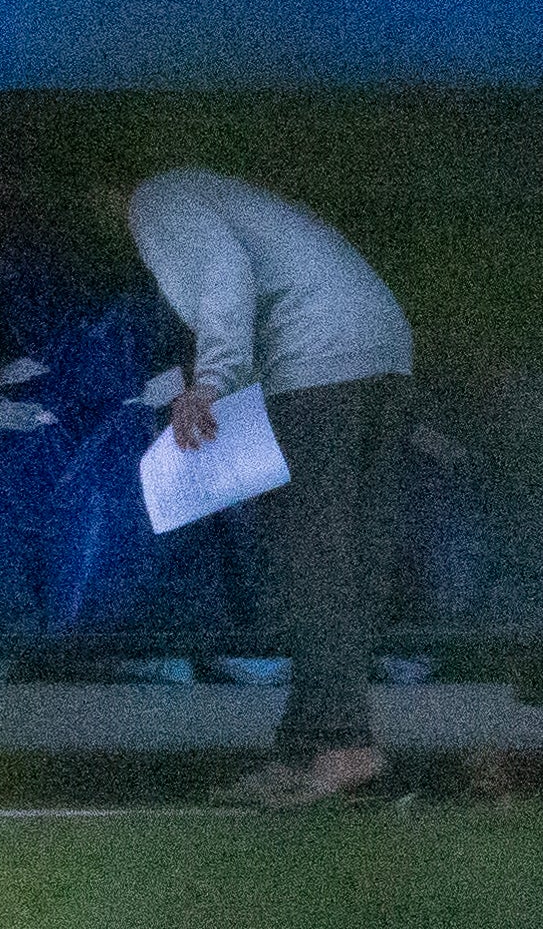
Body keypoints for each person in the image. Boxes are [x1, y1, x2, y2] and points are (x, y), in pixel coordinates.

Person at [125, 163, 417, 809]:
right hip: (383, 354)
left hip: (317, 365)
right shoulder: (235, 192)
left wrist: (211, 380)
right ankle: (307, 746)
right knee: (347, 560)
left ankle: (344, 745)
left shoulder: (160, 196)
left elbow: (226, 275)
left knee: (311, 561)